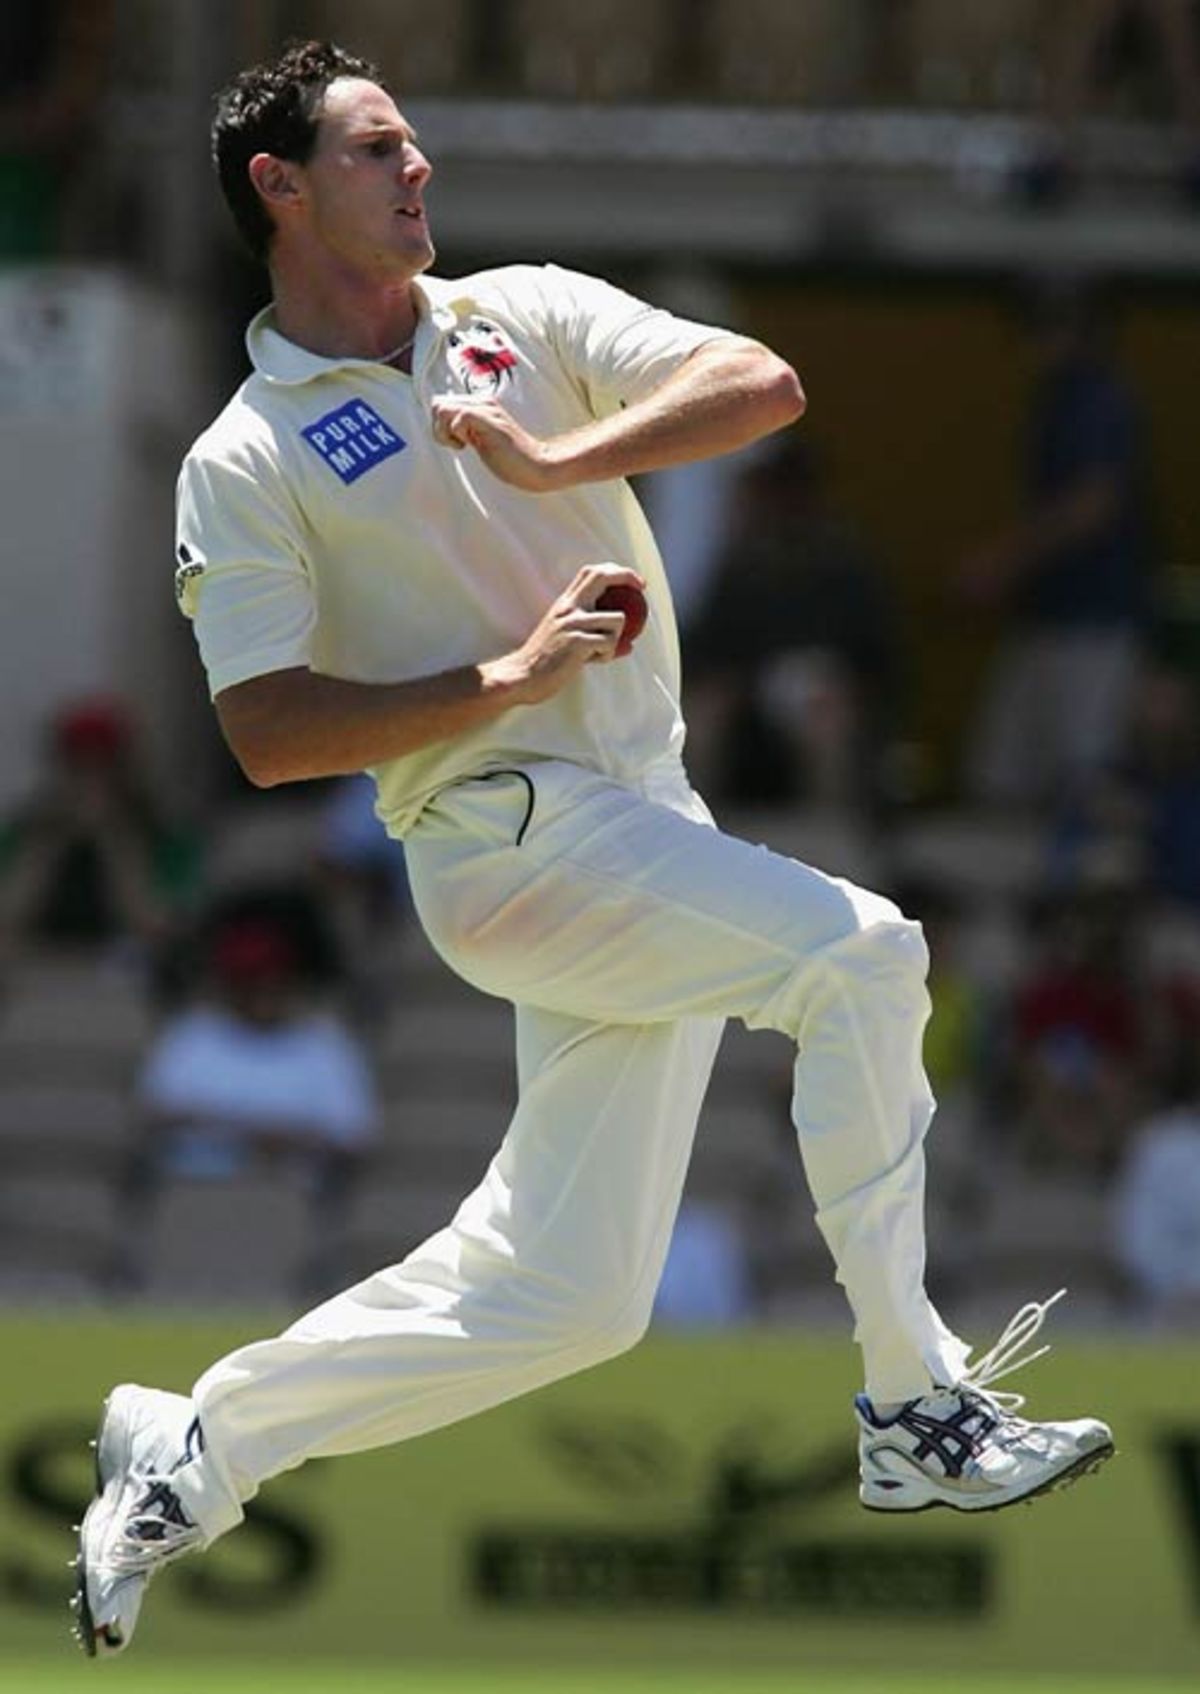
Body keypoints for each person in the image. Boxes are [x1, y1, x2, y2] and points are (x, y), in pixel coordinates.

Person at [73, 40, 1113, 1658]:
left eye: (415, 145)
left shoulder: (526, 315)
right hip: (504, 838)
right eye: (373, 150)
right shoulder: (246, 453)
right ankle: (915, 1400)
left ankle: (202, 1443)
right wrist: (502, 678)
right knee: (867, 947)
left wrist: (563, 458)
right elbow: (267, 730)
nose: (417, 169)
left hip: (635, 818)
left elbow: (764, 384)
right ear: (277, 186)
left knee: (572, 1293)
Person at [959, 279, 1154, 812]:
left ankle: (1104, 892)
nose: (1037, 341)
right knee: (1001, 772)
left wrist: (1005, 559)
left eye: (1050, 326)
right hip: (1044, 614)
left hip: (1095, 618)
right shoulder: (1054, 397)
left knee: (1086, 770)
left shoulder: (1099, 396)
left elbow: (1096, 503)